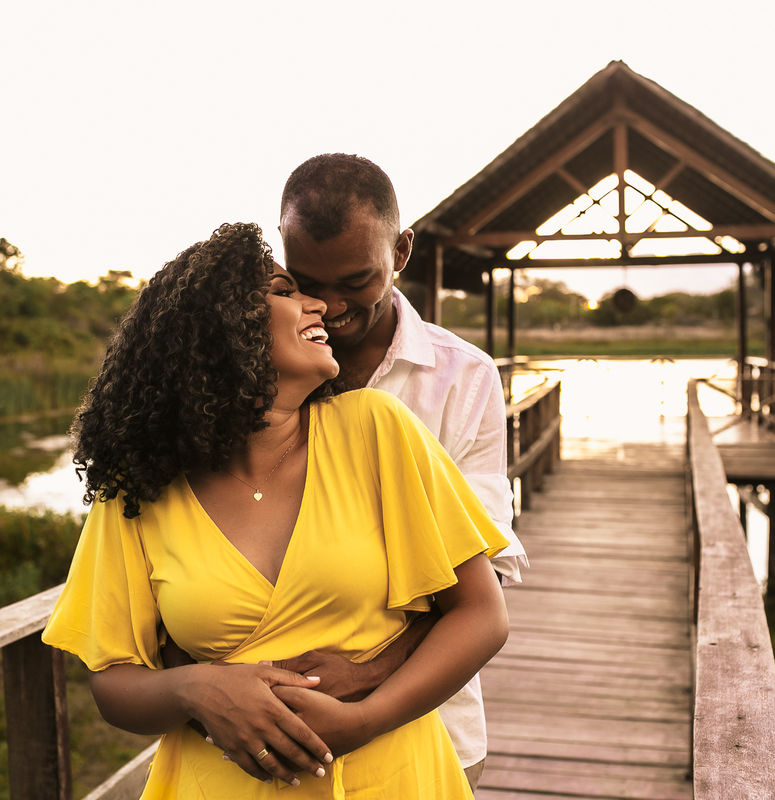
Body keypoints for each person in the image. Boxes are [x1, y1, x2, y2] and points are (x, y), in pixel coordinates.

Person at [42, 222, 510, 798]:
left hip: (392, 775)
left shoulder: (377, 430)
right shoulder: (141, 488)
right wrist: (197, 690)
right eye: (286, 291)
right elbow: (112, 682)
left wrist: (365, 718)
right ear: (223, 330)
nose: (318, 305)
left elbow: (482, 614)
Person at [272, 153, 529, 788]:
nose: (330, 307)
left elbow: (486, 563)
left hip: (431, 724)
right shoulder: (257, 373)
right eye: (307, 281)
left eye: (357, 281)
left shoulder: (462, 377)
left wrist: (364, 672)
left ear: (402, 251)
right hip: (277, 729)